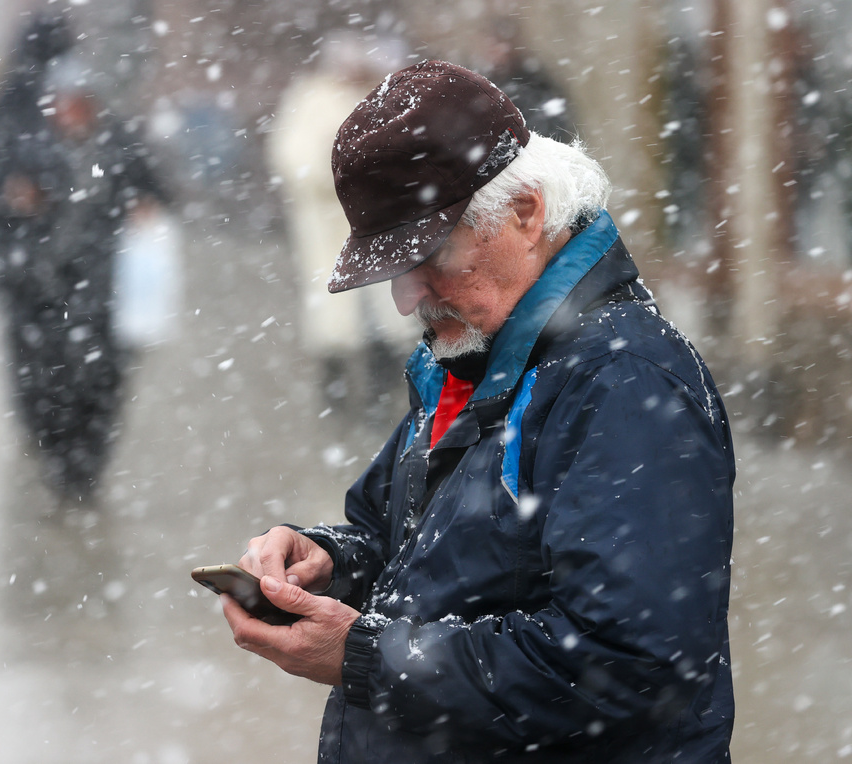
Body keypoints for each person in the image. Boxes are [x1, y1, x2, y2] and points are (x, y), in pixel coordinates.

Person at [216, 61, 735, 762]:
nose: (406, 296)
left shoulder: (624, 381)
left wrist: (364, 654)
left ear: (526, 212)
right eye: (393, 267)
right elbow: (412, 549)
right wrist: (327, 564)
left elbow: (628, 664)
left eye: (430, 256)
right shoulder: (469, 352)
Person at [0, 14, 170, 505]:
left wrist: (145, 205)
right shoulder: (26, 142)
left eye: (79, 100)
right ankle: (60, 463)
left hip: (103, 296)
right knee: (46, 383)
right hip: (41, 292)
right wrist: (12, 206)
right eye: (62, 101)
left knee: (101, 387)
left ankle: (85, 469)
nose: (70, 111)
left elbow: (156, 190)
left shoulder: (117, 143)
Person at [267, 34, 420, 420]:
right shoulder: (312, 100)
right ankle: (335, 397)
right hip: (328, 224)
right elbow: (291, 155)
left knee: (384, 312)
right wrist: (332, 171)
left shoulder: (391, 98)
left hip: (382, 221)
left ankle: (378, 396)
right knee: (334, 313)